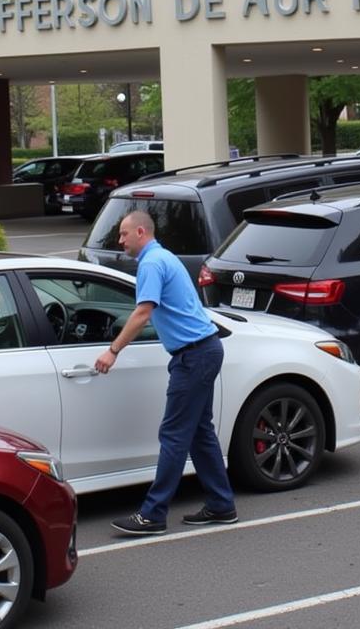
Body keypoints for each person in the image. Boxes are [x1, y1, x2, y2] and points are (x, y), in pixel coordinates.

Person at [95, 209, 237, 535]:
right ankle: (221, 504)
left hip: (195, 356)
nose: (120, 241)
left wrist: (113, 350)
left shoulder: (151, 263)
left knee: (173, 436)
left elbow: (143, 312)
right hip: (203, 351)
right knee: (200, 434)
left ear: (141, 232)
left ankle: (153, 514)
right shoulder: (164, 258)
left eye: (124, 234)